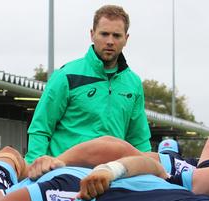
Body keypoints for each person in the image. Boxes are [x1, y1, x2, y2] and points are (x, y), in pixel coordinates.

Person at [25, 5, 151, 163]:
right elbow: (41, 128)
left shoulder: (133, 83)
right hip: (64, 174)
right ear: (92, 35)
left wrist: (149, 172)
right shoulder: (66, 75)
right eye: (104, 34)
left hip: (111, 176)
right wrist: (33, 166)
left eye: (117, 36)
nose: (110, 41)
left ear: (126, 38)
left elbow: (139, 140)